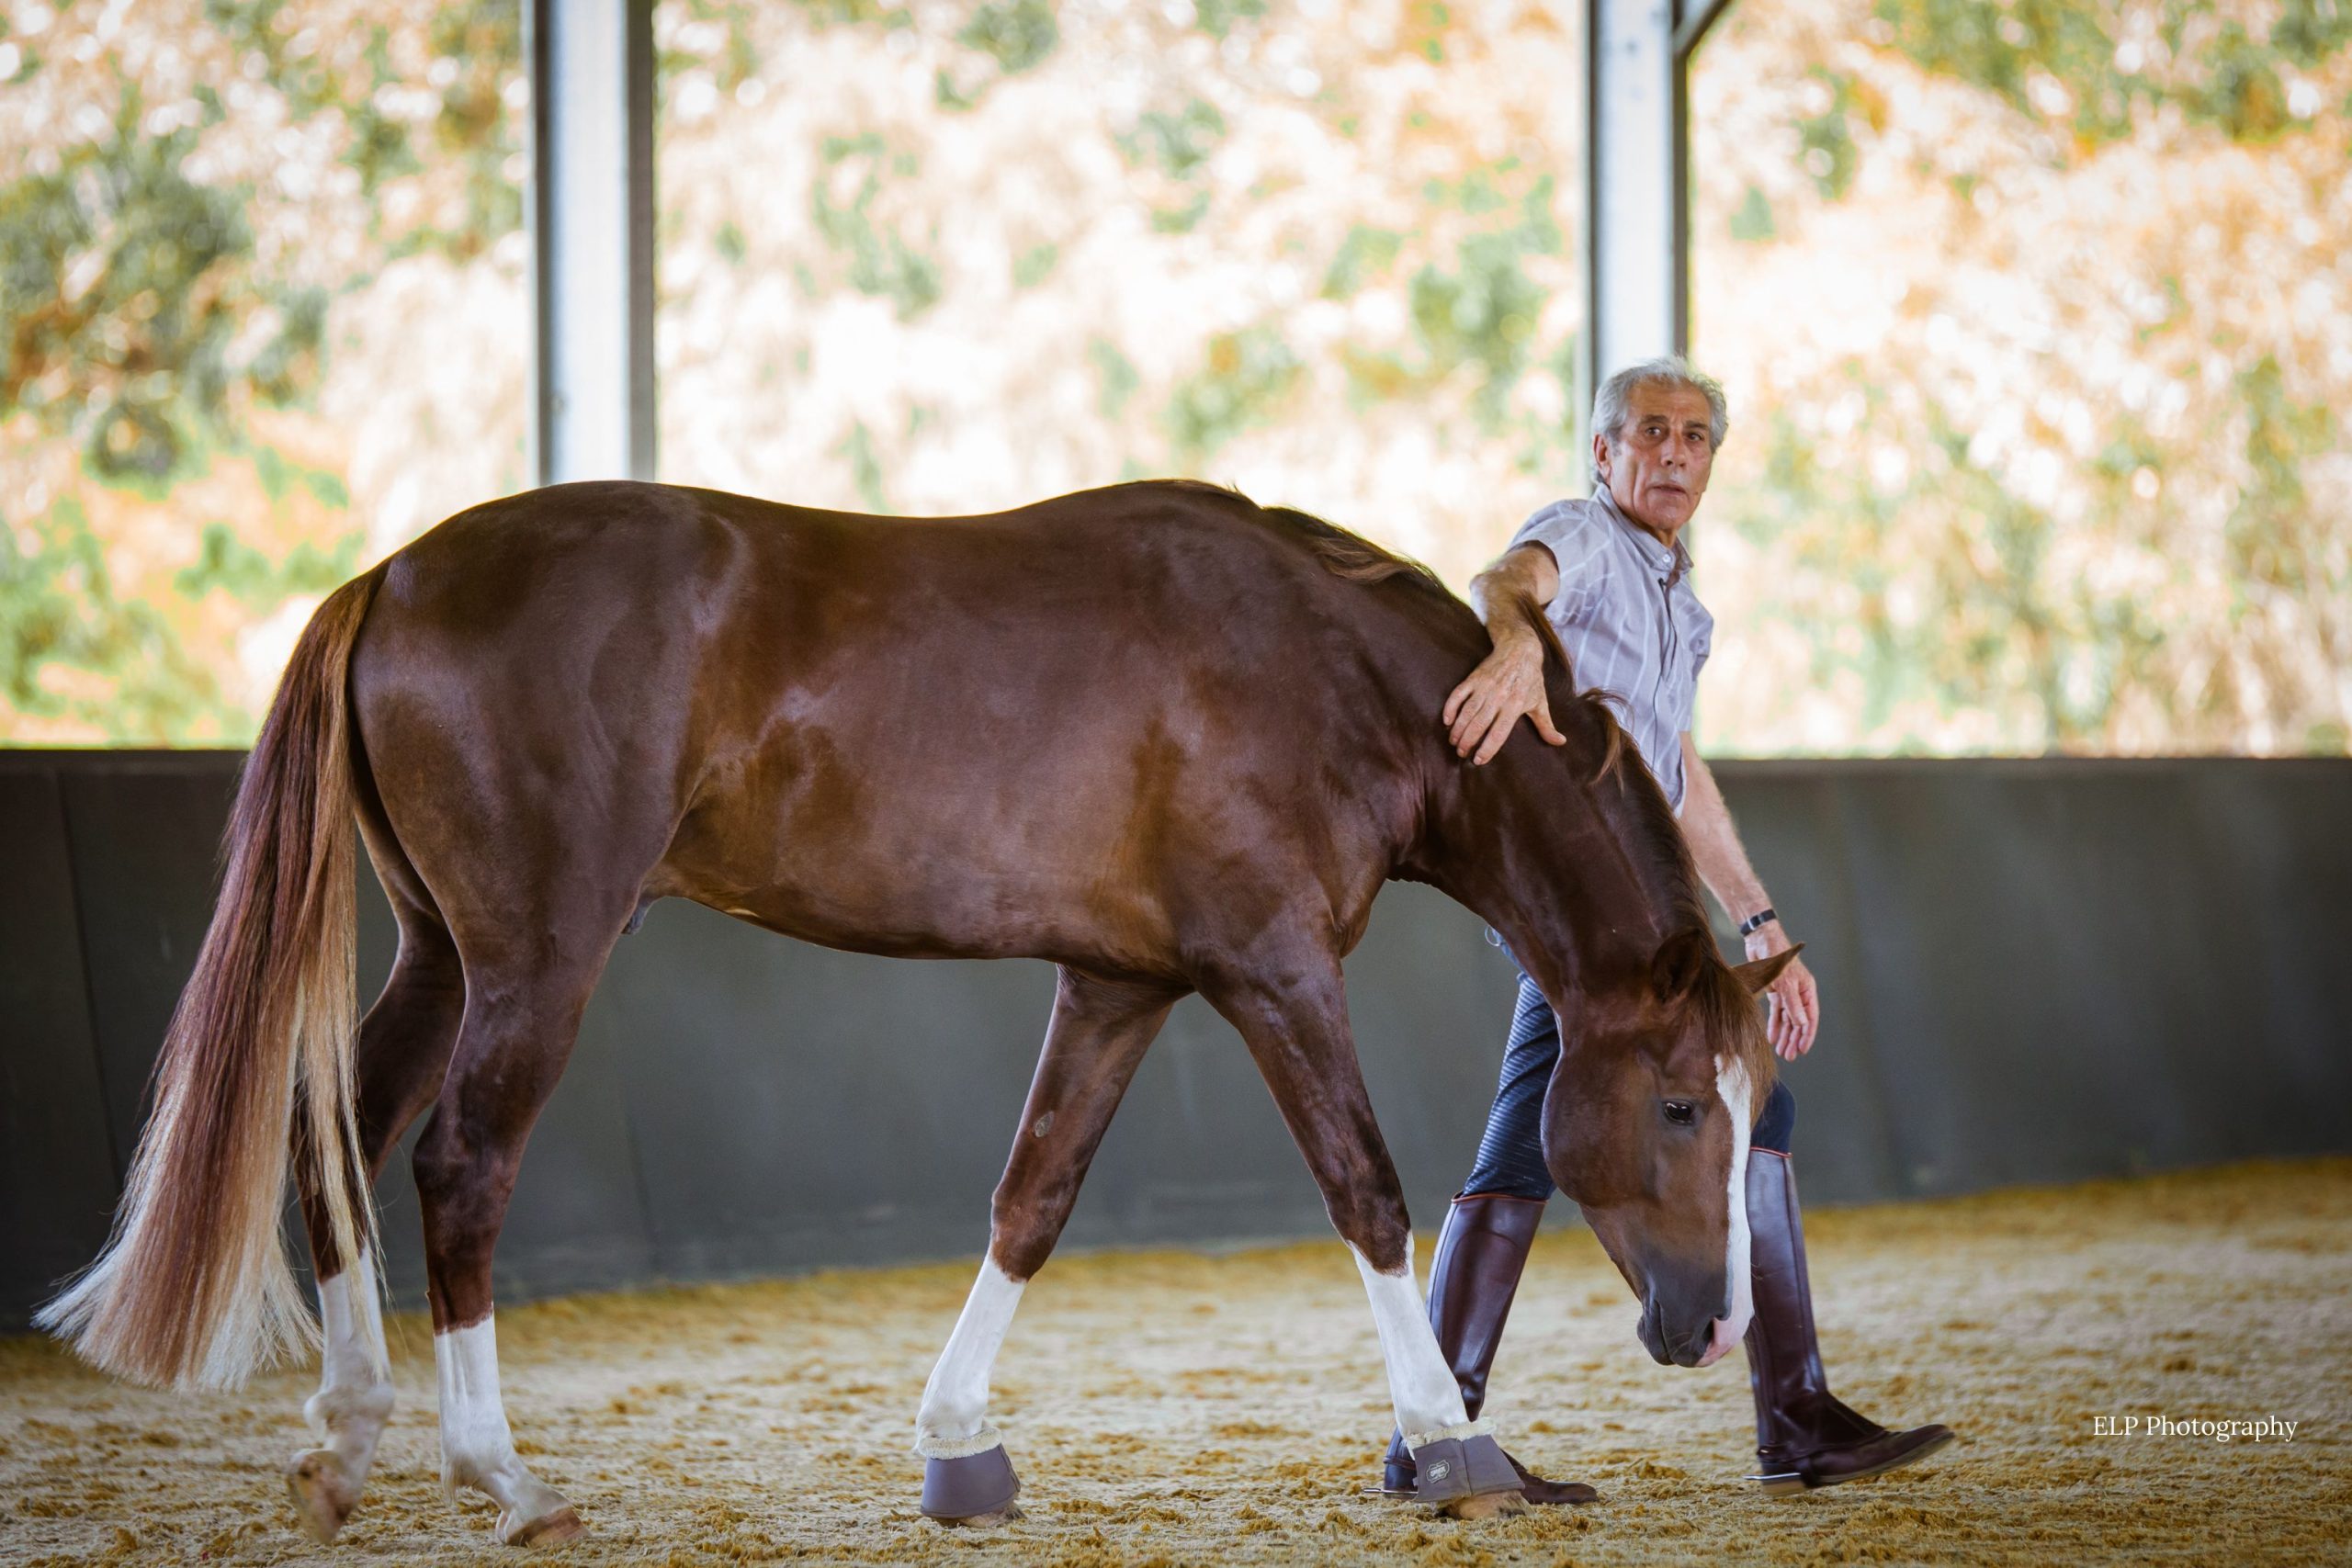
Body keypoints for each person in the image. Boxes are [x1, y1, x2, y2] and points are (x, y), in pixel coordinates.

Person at [1380, 356, 1954, 1502]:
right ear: (1606, 453)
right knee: (1578, 1131)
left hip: (1637, 910)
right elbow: (1509, 577)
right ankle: (1443, 1439)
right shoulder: (1586, 542)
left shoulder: (1681, 607)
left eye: (1696, 437)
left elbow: (1677, 774)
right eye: (1650, 432)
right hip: (1579, 909)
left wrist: (1757, 917)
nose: (1674, 453)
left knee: (1734, 1107)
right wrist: (1509, 639)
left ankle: (1442, 1434)